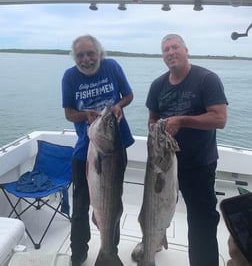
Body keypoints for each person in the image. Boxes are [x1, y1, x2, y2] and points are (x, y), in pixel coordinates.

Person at [144, 34, 228, 266]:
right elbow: (151, 118)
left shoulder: (206, 79)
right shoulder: (157, 85)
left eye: (175, 47)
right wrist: (155, 127)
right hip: (162, 165)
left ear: (186, 50)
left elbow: (220, 119)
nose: (170, 52)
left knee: (201, 221)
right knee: (154, 210)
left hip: (198, 164)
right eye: (165, 50)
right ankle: (153, 242)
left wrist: (182, 120)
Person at [61, 34, 134, 266]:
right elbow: (70, 113)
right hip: (86, 149)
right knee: (81, 206)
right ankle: (79, 251)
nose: (86, 59)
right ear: (75, 58)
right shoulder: (70, 77)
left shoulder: (112, 67)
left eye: (90, 53)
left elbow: (128, 95)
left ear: (99, 54)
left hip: (116, 146)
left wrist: (118, 106)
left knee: (113, 202)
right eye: (80, 55)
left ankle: (109, 250)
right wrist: (86, 116)